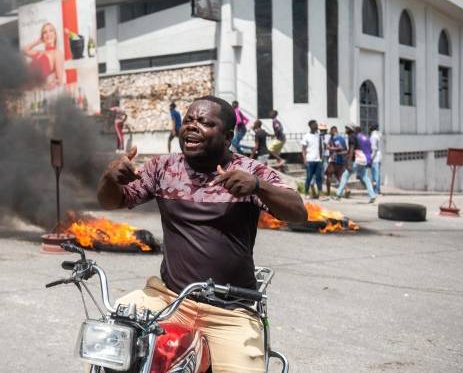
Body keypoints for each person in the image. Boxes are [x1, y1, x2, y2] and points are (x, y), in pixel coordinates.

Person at [97, 95, 306, 372]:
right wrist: (110, 177)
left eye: (205, 122)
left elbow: (298, 213)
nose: (192, 126)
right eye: (189, 120)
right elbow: (111, 201)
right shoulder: (162, 168)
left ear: (228, 136)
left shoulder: (249, 171)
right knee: (109, 342)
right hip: (170, 298)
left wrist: (257, 186)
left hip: (229, 310)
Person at [335, 124, 377, 203]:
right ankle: (373, 195)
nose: (345, 130)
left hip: (355, 160)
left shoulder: (351, 137)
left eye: (346, 128)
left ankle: (338, 194)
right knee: (365, 177)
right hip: (361, 159)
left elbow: (352, 149)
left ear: (350, 129)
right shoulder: (356, 136)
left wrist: (349, 161)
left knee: (345, 175)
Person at [23, 22, 64, 90]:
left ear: (55, 34)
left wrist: (46, 86)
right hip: (25, 88)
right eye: (45, 32)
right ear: (42, 37)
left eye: (51, 30)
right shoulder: (39, 52)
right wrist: (38, 41)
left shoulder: (57, 53)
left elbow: (59, 81)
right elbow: (24, 50)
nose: (48, 34)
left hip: (36, 92)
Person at [301, 120, 324, 199]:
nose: (317, 126)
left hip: (318, 160)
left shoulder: (318, 135)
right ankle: (306, 193)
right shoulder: (306, 136)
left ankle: (320, 194)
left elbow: (320, 147)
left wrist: (321, 158)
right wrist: (304, 160)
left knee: (319, 177)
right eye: (315, 125)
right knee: (309, 177)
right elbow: (303, 149)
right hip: (310, 160)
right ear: (310, 126)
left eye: (317, 124)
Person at [325, 126, 347, 196]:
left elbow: (340, 147)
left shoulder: (336, 138)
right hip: (341, 159)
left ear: (334, 131)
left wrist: (330, 148)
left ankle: (328, 193)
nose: (329, 132)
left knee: (328, 174)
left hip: (335, 159)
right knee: (339, 176)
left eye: (330, 131)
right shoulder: (341, 138)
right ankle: (346, 189)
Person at [370, 124, 382, 195]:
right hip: (379, 157)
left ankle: (375, 191)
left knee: (375, 176)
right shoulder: (378, 135)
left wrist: (371, 158)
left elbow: (374, 149)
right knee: (378, 175)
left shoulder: (373, 137)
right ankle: (378, 189)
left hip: (375, 158)